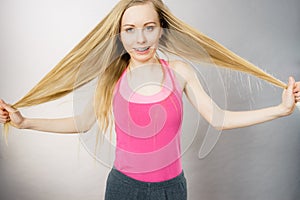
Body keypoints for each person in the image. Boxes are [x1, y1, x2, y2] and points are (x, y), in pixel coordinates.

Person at [0, 0, 299, 199]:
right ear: (119, 34)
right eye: (130, 30)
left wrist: (281, 110)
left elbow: (218, 118)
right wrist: (25, 122)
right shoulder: (111, 77)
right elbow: (83, 122)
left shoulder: (180, 72)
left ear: (161, 29)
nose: (140, 39)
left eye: (149, 27)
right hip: (122, 189)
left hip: (171, 190)